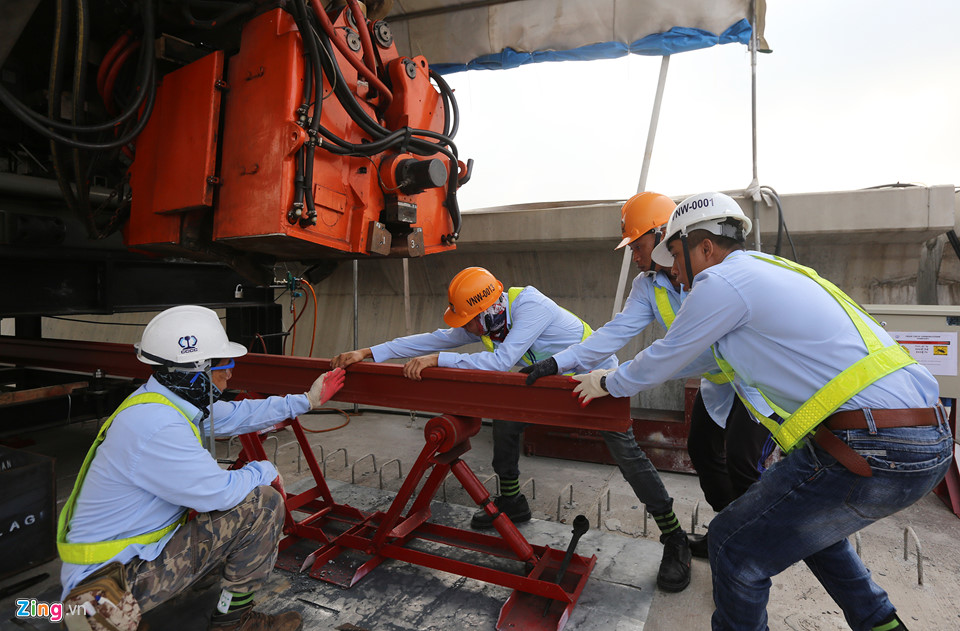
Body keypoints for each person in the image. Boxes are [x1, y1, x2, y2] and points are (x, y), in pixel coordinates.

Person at [570, 191, 953, 631]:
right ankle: (882, 624)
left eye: (676, 253)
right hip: (926, 437)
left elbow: (670, 352)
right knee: (813, 532)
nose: (673, 269)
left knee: (732, 546)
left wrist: (608, 381)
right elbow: (697, 359)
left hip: (873, 443)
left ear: (705, 248)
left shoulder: (720, 283)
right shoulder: (773, 271)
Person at [331, 265, 693, 592]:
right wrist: (370, 352)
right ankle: (511, 500)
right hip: (543, 380)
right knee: (505, 421)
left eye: (470, 320)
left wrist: (439, 361)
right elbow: (437, 338)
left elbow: (502, 361)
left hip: (591, 380)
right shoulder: (488, 319)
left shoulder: (530, 306)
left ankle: (674, 537)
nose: (467, 329)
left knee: (627, 455)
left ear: (488, 308)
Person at [58, 305, 346, 631]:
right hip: (99, 592)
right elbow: (218, 494)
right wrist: (264, 470)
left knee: (243, 510)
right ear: (193, 371)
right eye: (224, 364)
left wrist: (307, 400)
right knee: (261, 504)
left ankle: (211, 607)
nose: (231, 372)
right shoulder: (156, 426)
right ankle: (233, 623)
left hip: (125, 563)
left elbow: (237, 414)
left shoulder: (164, 401)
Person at [522, 192, 777, 559]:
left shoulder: (715, 279)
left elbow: (675, 355)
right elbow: (615, 332)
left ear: (665, 235)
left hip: (755, 382)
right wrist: (558, 363)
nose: (636, 256)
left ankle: (754, 547)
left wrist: (618, 378)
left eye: (638, 245)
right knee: (703, 452)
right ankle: (729, 529)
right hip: (720, 384)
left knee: (742, 460)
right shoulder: (647, 287)